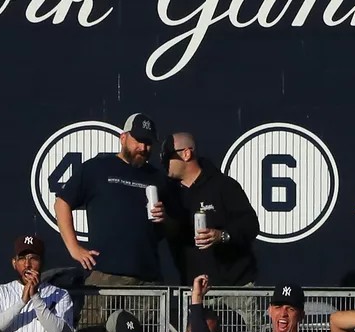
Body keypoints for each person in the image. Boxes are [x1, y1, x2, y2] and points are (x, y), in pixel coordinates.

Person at [54, 113, 177, 286]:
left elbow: (174, 227)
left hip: (148, 279)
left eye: (148, 143)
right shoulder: (97, 168)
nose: (143, 147)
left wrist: (165, 218)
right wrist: (74, 248)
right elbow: (61, 203)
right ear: (123, 138)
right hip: (105, 276)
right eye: (138, 140)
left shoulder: (158, 178)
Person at [162, 131, 260, 285]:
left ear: (186, 154)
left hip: (235, 289)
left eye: (168, 156)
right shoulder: (171, 195)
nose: (164, 161)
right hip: (194, 292)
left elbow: (251, 225)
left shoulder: (224, 186)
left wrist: (222, 235)